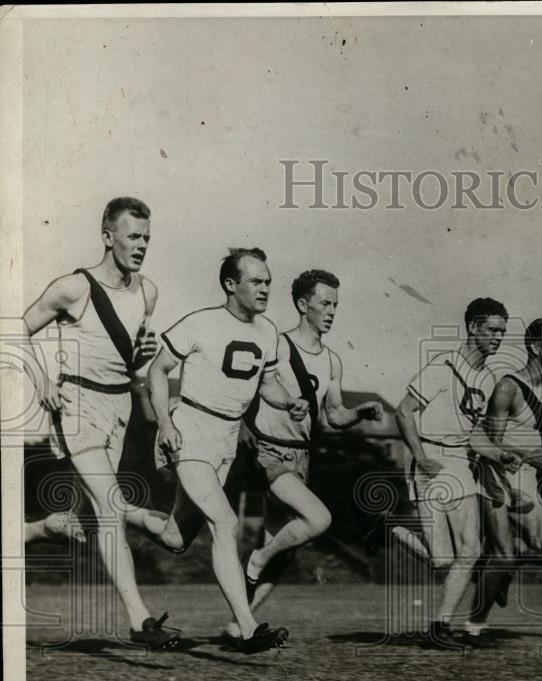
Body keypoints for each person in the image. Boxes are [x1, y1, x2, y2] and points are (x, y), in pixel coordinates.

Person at [20, 197, 180, 649]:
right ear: (108, 237)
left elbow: (130, 365)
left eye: (147, 237)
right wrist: (42, 379)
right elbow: (15, 326)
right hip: (77, 405)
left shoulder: (147, 292)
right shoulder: (74, 288)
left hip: (120, 409)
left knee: (94, 517)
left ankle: (42, 528)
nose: (142, 245)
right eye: (134, 236)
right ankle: (139, 620)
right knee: (111, 509)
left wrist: (140, 368)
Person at [146, 247, 308, 654]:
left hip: (225, 441)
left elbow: (266, 384)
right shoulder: (200, 323)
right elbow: (157, 370)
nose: (265, 288)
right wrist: (165, 422)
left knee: (175, 536)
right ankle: (249, 628)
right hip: (190, 431)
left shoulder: (268, 331)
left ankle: (120, 512)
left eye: (268, 281)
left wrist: (290, 401)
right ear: (230, 285)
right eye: (256, 281)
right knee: (225, 522)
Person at [219, 269, 384, 639]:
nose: (331, 312)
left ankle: (238, 627)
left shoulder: (332, 360)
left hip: (301, 460)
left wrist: (361, 412)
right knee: (318, 519)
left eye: (336, 305)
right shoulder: (276, 344)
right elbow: (251, 388)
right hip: (267, 453)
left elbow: (334, 415)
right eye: (325, 303)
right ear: (302, 304)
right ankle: (256, 560)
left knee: (282, 552)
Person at [379, 297, 517, 648]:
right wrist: (421, 457)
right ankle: (396, 530)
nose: (498, 338)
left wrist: (500, 455)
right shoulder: (442, 367)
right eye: (491, 330)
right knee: (443, 561)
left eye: (502, 331)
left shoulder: (487, 379)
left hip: (459, 463)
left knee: (470, 550)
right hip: (431, 460)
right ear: (472, 327)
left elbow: (472, 433)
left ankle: (440, 628)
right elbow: (403, 411)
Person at [466, 317, 542, 638]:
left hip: (527, 479)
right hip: (497, 477)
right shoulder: (508, 387)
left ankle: (490, 566)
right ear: (535, 347)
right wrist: (530, 454)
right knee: (506, 555)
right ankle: (474, 625)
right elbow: (489, 443)